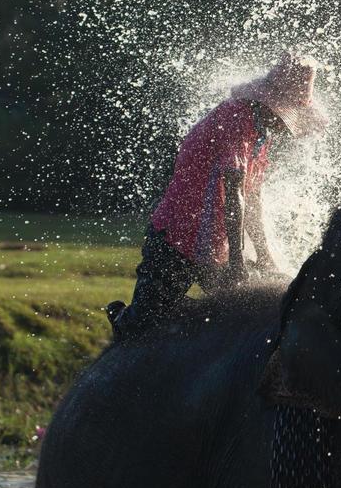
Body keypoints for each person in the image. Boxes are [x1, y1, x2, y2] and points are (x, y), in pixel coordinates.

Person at [108, 52, 328, 339]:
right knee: (142, 325)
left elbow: (253, 200)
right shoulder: (235, 118)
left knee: (241, 317)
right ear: (272, 105)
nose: (286, 127)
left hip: (213, 246)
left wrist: (264, 256)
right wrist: (237, 263)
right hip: (177, 238)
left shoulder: (260, 135)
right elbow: (234, 194)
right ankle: (120, 317)